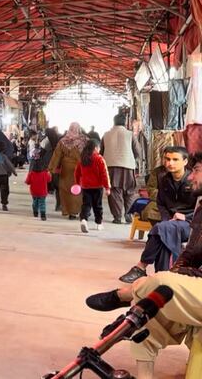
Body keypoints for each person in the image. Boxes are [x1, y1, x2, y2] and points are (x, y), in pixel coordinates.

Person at [84, 152, 202, 379]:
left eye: (196, 171)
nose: (191, 178)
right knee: (147, 314)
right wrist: (180, 275)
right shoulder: (166, 181)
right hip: (188, 263)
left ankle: (126, 293)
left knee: (160, 281)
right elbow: (190, 254)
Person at [118, 147, 198, 283]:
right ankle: (162, 276)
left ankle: (141, 266)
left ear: (185, 161)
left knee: (161, 229)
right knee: (164, 233)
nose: (170, 163)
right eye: (167, 159)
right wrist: (167, 219)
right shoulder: (163, 179)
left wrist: (186, 217)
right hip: (172, 222)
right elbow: (161, 203)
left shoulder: (194, 180)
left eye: (175, 160)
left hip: (191, 224)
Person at [101, 114, 140, 224]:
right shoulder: (130, 134)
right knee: (130, 192)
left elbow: (101, 152)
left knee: (114, 192)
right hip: (128, 167)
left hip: (111, 167)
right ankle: (128, 215)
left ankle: (117, 217)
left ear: (114, 121)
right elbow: (138, 152)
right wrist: (133, 161)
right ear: (125, 122)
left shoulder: (106, 135)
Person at [48, 122, 88, 219]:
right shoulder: (85, 141)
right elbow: (90, 154)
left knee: (66, 190)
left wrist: (51, 168)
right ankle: (77, 210)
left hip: (66, 170)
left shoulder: (63, 141)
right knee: (78, 190)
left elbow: (57, 155)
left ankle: (70, 212)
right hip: (80, 169)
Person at [74, 139, 111, 233]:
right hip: (97, 187)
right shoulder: (99, 159)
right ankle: (99, 224)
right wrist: (107, 187)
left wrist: (77, 183)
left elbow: (77, 173)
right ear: (95, 148)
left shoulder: (83, 159)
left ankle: (83, 220)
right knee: (97, 206)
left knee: (86, 205)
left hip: (85, 186)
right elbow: (104, 174)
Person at [0, 140, 17, 211]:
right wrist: (14, 172)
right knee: (4, 190)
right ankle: (4, 204)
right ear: (3, 149)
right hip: (3, 176)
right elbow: (9, 165)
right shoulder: (3, 156)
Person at [25, 150, 51, 221]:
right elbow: (49, 180)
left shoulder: (31, 173)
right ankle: (43, 214)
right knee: (42, 203)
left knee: (35, 202)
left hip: (34, 191)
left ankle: (35, 212)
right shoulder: (45, 173)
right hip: (43, 191)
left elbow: (27, 181)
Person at [41, 127, 62, 212]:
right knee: (58, 187)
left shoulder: (46, 142)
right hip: (56, 166)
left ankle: (41, 204)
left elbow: (41, 153)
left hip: (47, 166)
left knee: (46, 185)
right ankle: (58, 205)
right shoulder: (59, 141)